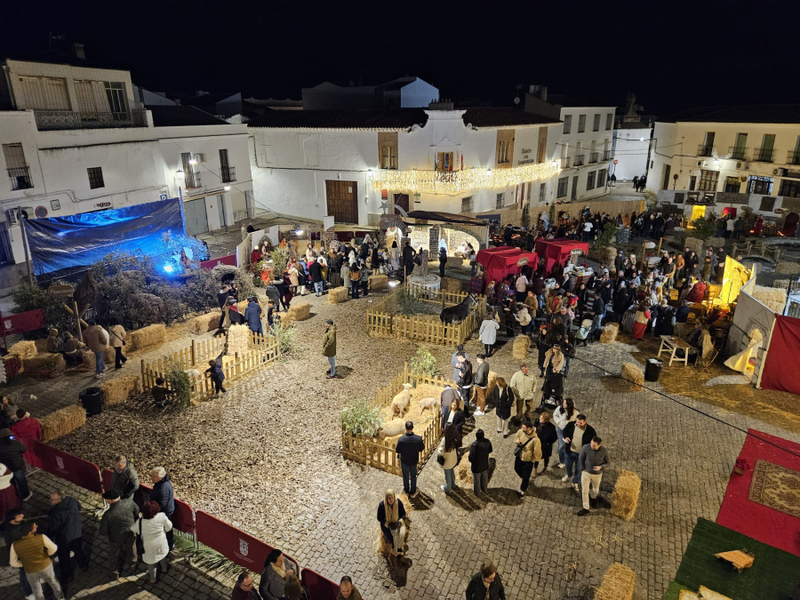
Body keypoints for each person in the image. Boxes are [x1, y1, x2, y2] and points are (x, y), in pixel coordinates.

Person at [10, 520, 65, 600]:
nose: (37, 526)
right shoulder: (41, 537)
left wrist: (24, 564)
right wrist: (46, 555)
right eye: (34, 526)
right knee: (53, 581)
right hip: (45, 565)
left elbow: (13, 563)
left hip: (30, 570)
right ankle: (60, 597)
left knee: (36, 589)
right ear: (30, 530)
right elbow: (54, 548)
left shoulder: (15, 545)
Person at [47, 490, 89, 589]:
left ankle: (68, 575)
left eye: (52, 499)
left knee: (63, 557)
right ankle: (83, 565)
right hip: (76, 531)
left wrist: (50, 538)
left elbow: (54, 528)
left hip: (64, 538)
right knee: (78, 549)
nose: (50, 501)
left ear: (59, 500)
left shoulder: (56, 512)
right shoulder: (72, 500)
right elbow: (79, 508)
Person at [99, 489, 139, 578]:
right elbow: (137, 513)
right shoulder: (130, 503)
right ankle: (133, 567)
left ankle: (114, 573)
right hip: (130, 533)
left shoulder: (108, 514)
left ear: (111, 500)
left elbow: (103, 532)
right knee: (132, 549)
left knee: (114, 555)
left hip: (115, 538)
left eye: (106, 500)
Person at [131, 501, 172, 583]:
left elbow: (133, 529)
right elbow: (169, 527)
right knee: (162, 557)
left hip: (148, 546)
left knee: (151, 564)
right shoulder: (161, 516)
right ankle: (164, 569)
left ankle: (153, 579)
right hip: (161, 543)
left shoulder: (140, 522)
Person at [576, 436, 611, 516]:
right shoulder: (586, 448)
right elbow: (581, 457)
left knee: (595, 489)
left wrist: (601, 467)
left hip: (597, 474)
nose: (592, 446)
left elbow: (608, 463)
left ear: (599, 445)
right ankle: (586, 508)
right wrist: (582, 469)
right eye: (591, 444)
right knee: (584, 490)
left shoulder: (604, 451)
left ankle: (593, 498)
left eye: (594, 445)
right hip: (586, 473)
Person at [3, 508, 33, 598]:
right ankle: (29, 593)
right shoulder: (10, 532)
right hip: (21, 555)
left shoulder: (21, 523)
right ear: (12, 519)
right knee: (24, 573)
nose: (22, 516)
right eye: (19, 516)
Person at [562, 414, 597, 491]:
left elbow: (594, 442)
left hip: (581, 455)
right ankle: (569, 475)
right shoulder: (571, 425)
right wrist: (566, 437)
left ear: (585, 422)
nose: (578, 424)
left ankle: (575, 482)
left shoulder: (590, 431)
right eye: (577, 422)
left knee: (579, 469)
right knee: (568, 465)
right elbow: (565, 431)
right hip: (570, 451)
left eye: (581, 423)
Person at [376, 489, 410, 567]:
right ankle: (397, 556)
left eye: (392, 498)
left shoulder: (398, 503)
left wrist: (400, 521)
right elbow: (379, 518)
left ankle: (395, 555)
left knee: (401, 535)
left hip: (397, 523)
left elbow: (403, 514)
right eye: (389, 498)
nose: (391, 500)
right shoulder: (382, 505)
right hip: (387, 525)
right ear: (386, 499)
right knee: (394, 539)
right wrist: (388, 524)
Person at [0, 428, 30, 501]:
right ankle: (25, 495)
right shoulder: (15, 443)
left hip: (7, 467)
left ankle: (15, 494)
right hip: (17, 466)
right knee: (21, 481)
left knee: (11, 481)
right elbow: (24, 448)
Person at [395, 421, 424, 497]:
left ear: (405, 428)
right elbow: (422, 448)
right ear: (413, 427)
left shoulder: (401, 439)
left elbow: (397, 450)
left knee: (405, 475)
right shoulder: (418, 438)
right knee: (414, 475)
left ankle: (406, 490)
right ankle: (413, 491)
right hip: (414, 460)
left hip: (405, 460)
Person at [514, 419, 541, 498]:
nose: (522, 429)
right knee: (516, 468)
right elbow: (516, 437)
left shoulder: (535, 440)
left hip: (528, 460)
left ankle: (523, 489)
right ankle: (524, 479)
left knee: (526, 476)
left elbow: (537, 452)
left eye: (524, 428)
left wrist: (532, 460)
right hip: (519, 456)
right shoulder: (520, 431)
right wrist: (517, 441)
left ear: (529, 429)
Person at [149, 467, 175, 550]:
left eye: (153, 477)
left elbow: (162, 503)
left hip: (165, 511)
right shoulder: (161, 483)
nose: (151, 478)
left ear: (159, 477)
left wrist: (152, 510)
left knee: (167, 529)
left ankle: (169, 545)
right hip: (164, 510)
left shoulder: (162, 488)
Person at [552, 398, 577, 469]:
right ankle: (562, 461)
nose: (563, 404)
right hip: (561, 429)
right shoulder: (560, 409)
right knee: (561, 446)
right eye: (563, 403)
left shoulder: (575, 412)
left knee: (569, 446)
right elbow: (555, 415)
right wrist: (559, 422)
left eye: (565, 403)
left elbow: (576, 421)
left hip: (570, 431)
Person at [437, 423, 461, 495]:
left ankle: (448, 488)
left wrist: (438, 453)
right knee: (451, 472)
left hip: (447, 460)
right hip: (453, 459)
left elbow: (440, 451)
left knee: (447, 475)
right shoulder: (455, 437)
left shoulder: (445, 440)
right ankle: (453, 485)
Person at [468, 429, 493, 497]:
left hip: (476, 466)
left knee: (477, 479)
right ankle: (485, 489)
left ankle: (477, 493)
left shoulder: (474, 445)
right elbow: (490, 450)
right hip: (484, 463)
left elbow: (471, 458)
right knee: (485, 477)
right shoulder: (487, 441)